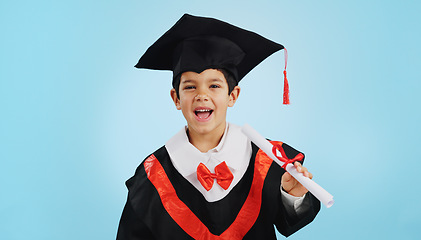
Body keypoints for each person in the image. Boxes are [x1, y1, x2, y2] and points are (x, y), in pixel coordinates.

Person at [116, 14, 320, 240]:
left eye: (214, 85)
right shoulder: (152, 175)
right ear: (176, 98)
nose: (202, 95)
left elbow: (289, 220)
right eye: (190, 87)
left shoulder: (267, 159)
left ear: (233, 95)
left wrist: (293, 194)